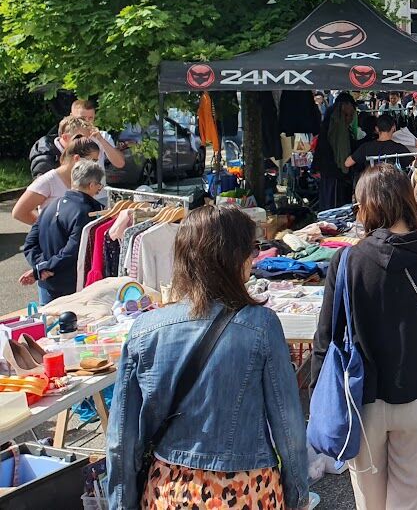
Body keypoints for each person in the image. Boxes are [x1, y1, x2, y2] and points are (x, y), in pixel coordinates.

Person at [107, 206, 308, 510]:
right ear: (234, 258)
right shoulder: (261, 325)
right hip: (247, 488)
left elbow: (121, 437)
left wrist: (121, 503)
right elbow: (287, 422)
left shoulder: (144, 330)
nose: (253, 258)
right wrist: (297, 493)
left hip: (170, 489)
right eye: (251, 250)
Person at [312, 166, 417, 510]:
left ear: (367, 206)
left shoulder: (347, 260)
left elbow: (326, 340)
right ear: (406, 200)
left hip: (363, 401)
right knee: (410, 499)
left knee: (369, 501)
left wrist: (319, 398)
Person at [22, 159, 104, 304]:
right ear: (91, 185)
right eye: (99, 185)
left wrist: (42, 267)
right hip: (70, 286)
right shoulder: (87, 211)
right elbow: (73, 251)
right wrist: (44, 268)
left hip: (46, 283)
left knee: (46, 317)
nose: (100, 189)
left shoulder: (50, 206)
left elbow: (30, 243)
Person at [13, 134, 101, 226]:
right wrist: (48, 228)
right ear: (76, 158)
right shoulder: (48, 181)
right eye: (93, 161)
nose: (96, 165)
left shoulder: (85, 180)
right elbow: (19, 213)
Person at [314, 92, 356, 210]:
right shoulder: (335, 126)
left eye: (351, 115)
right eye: (347, 115)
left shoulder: (337, 125)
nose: (350, 118)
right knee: (334, 207)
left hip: (334, 173)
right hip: (334, 173)